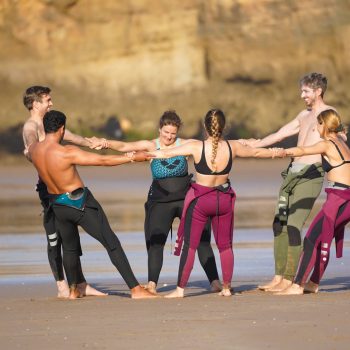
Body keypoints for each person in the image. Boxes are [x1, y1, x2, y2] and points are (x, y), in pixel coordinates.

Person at [149, 109, 285, 298]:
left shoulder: (196, 147)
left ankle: (180, 290)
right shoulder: (233, 146)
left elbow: (163, 153)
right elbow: (256, 152)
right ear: (223, 127)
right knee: (225, 246)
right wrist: (276, 153)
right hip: (224, 199)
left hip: (201, 201)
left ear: (205, 127)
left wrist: (131, 155)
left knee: (191, 245)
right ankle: (227, 288)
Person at [87, 111, 221, 294]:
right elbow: (125, 145)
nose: (169, 137)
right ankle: (152, 284)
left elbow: (211, 145)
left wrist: (243, 145)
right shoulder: (150, 145)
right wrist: (105, 143)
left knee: (202, 240)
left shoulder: (185, 145)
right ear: (160, 129)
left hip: (186, 199)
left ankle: (214, 281)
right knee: (156, 242)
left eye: (173, 133)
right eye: (166, 132)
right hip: (160, 201)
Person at [28, 110, 157, 299]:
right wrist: (131, 157)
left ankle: (74, 289)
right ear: (62, 129)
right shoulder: (66, 152)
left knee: (70, 248)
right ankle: (136, 290)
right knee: (111, 243)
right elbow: (103, 160)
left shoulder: (34, 150)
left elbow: (29, 145)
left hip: (57, 206)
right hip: (80, 203)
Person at [241, 72, 336, 292]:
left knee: (293, 225)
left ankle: (291, 278)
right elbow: (281, 133)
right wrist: (255, 146)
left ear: (318, 91)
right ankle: (278, 277)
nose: (302, 95)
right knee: (279, 224)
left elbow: (339, 143)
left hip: (310, 176)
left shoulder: (329, 114)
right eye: (301, 90)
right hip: (291, 175)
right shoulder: (304, 115)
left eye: (306, 91)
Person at [22, 86, 106, 298]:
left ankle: (80, 284)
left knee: (70, 234)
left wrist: (93, 143)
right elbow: (31, 142)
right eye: (47, 100)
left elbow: (73, 137)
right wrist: (31, 150)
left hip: (62, 186)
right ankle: (61, 285)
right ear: (35, 104)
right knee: (54, 236)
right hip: (47, 188)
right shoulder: (30, 127)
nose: (51, 103)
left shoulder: (51, 123)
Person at [275, 109, 350, 295]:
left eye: (318, 124)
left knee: (310, 240)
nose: (316, 128)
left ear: (324, 124)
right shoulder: (341, 141)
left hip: (340, 200)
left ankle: (298, 285)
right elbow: (342, 134)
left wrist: (284, 152)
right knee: (323, 238)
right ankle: (313, 283)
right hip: (345, 200)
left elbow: (304, 150)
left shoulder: (327, 144)